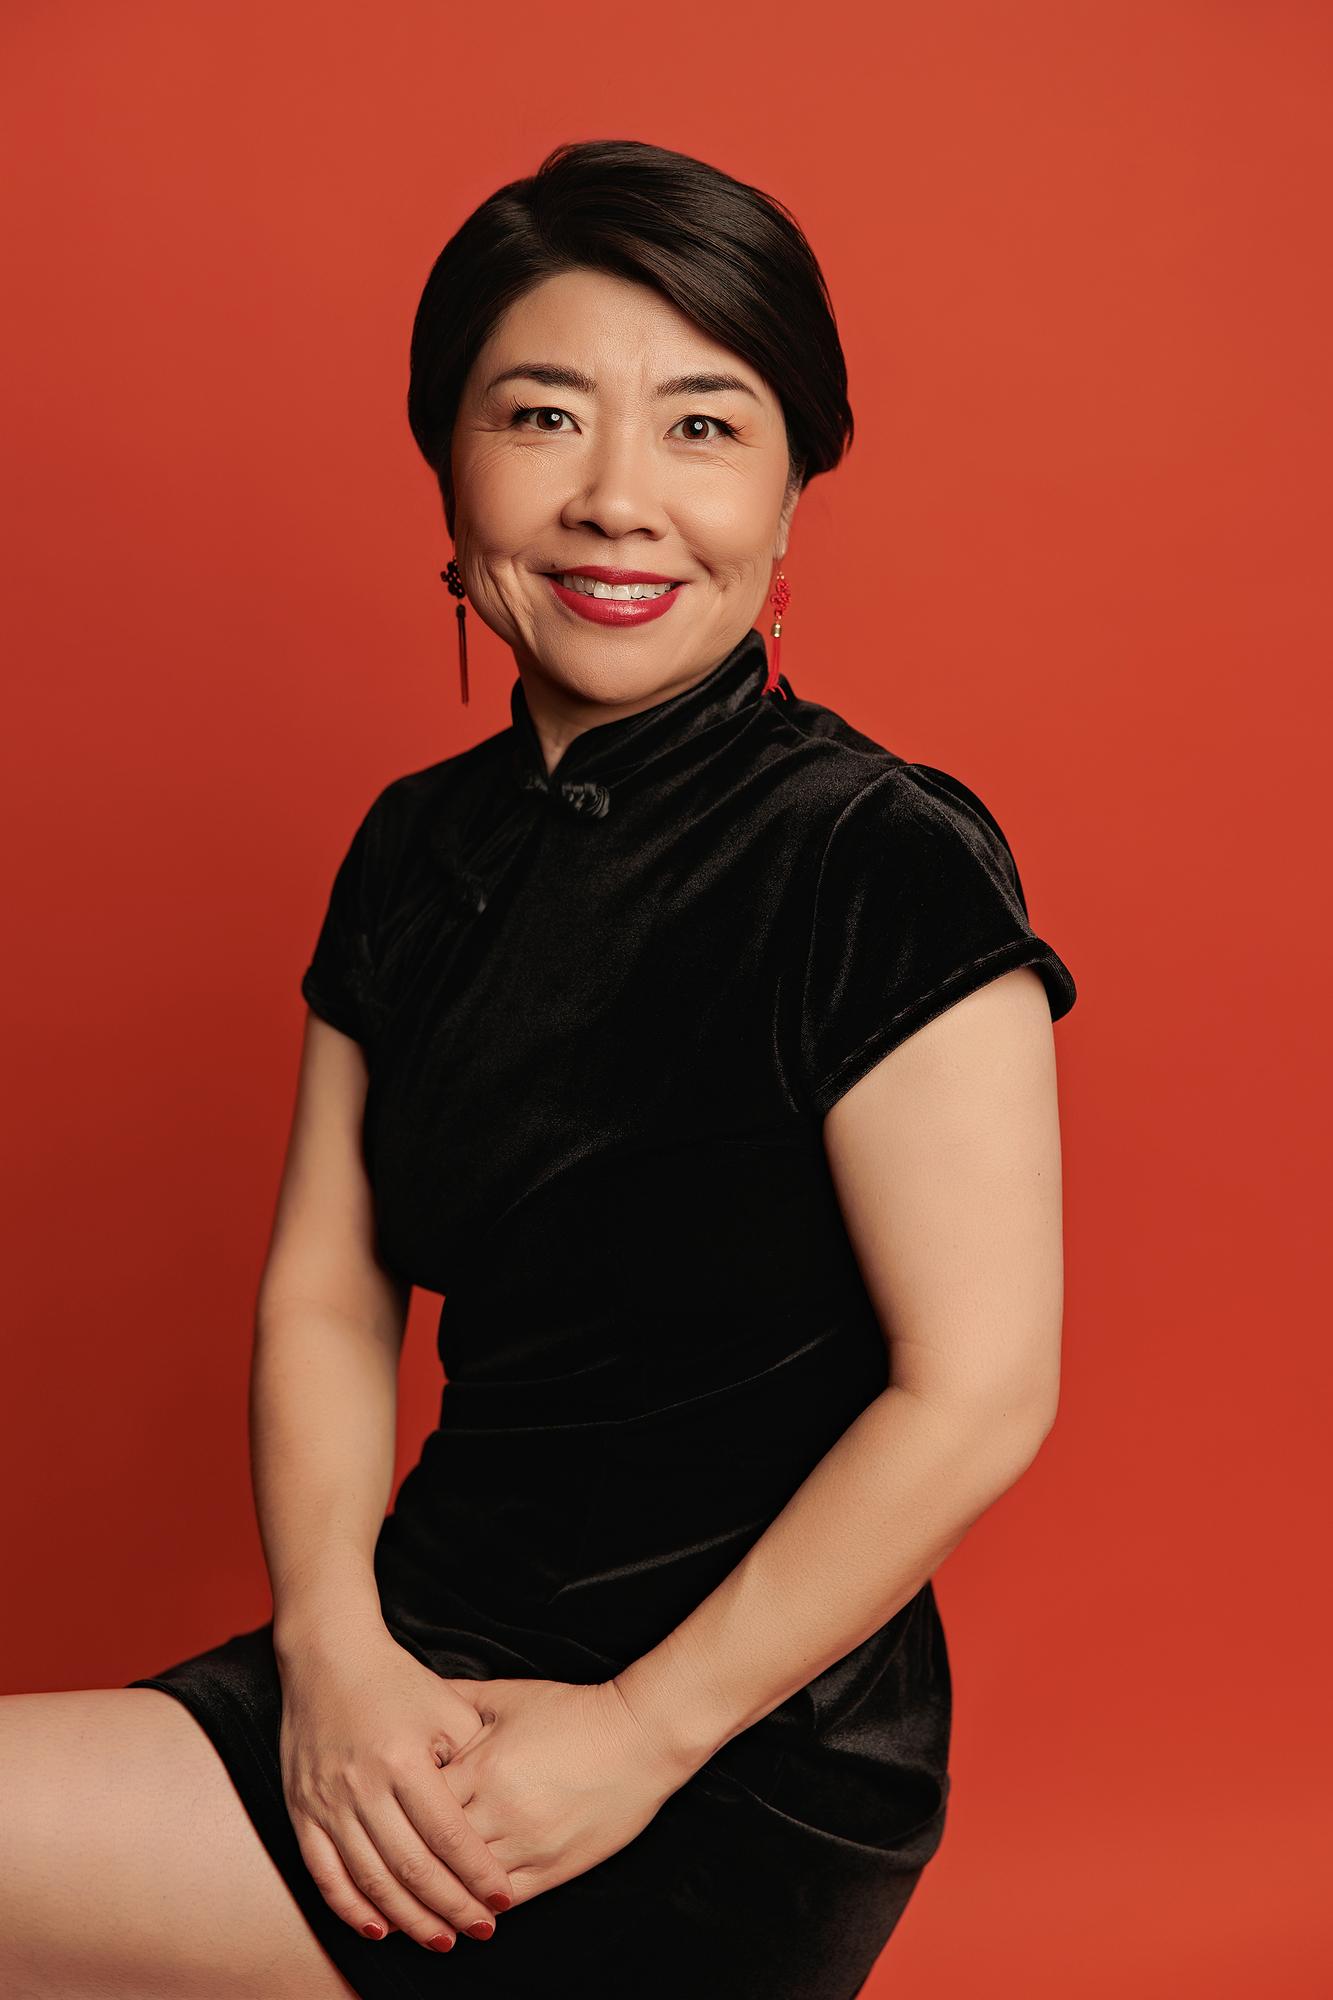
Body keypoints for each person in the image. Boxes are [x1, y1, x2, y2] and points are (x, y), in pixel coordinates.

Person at [1, 138, 1077, 1999]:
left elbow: (976, 1388)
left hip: (725, 1745)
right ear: (448, 461)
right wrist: (331, 1655)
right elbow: (331, 1295)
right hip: (404, 1663)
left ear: (793, 489)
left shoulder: (867, 852)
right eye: (543, 415)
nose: (612, 500)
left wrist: (645, 1732)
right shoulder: (417, 846)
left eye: (701, 428)